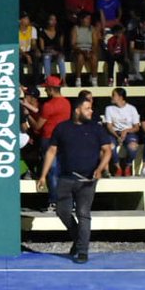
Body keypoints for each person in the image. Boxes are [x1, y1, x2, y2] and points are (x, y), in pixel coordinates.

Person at [36, 96, 113, 263]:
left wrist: (100, 169)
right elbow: (51, 151)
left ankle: (83, 250)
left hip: (87, 179)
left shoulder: (96, 128)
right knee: (62, 211)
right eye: (87, 108)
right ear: (77, 110)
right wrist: (43, 175)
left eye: (91, 108)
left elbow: (107, 150)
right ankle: (79, 239)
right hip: (66, 178)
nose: (91, 111)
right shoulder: (63, 128)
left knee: (83, 213)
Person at [33, 76, 72, 212]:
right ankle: (66, 201)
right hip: (64, 140)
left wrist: (29, 119)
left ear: (50, 89)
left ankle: (54, 201)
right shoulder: (67, 103)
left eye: (46, 89)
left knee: (52, 172)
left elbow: (38, 126)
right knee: (61, 171)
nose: (45, 91)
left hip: (49, 139)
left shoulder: (48, 106)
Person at [103, 87, 142, 176]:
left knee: (133, 147)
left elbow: (136, 127)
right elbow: (109, 126)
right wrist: (117, 137)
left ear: (120, 97)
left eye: (114, 95)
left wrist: (126, 130)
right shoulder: (109, 108)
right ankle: (118, 167)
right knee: (110, 146)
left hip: (129, 133)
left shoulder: (132, 109)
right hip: (114, 133)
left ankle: (128, 166)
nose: (111, 97)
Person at [68, 10, 101, 88]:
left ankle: (94, 80)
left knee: (94, 57)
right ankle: (78, 79)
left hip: (89, 50)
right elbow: (73, 44)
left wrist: (90, 51)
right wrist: (82, 51)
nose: (89, 20)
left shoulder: (92, 29)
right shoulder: (75, 29)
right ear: (81, 19)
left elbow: (95, 44)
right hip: (78, 50)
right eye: (87, 18)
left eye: (89, 19)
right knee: (80, 57)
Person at [37, 13, 68, 84]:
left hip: (57, 52)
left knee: (61, 58)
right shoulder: (42, 32)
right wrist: (49, 51)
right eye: (51, 19)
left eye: (55, 20)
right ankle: (48, 79)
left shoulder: (59, 32)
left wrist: (56, 52)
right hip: (47, 52)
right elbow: (42, 47)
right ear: (47, 21)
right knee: (46, 57)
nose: (53, 21)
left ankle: (63, 80)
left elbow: (61, 46)